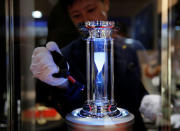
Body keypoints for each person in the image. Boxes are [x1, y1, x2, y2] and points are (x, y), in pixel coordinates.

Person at [30, 0, 161, 130]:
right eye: (76, 15)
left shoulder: (132, 48)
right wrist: (60, 83)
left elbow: (140, 88)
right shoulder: (66, 55)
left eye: (91, 9)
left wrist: (148, 101)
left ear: (106, 4)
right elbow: (65, 106)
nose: (86, 19)